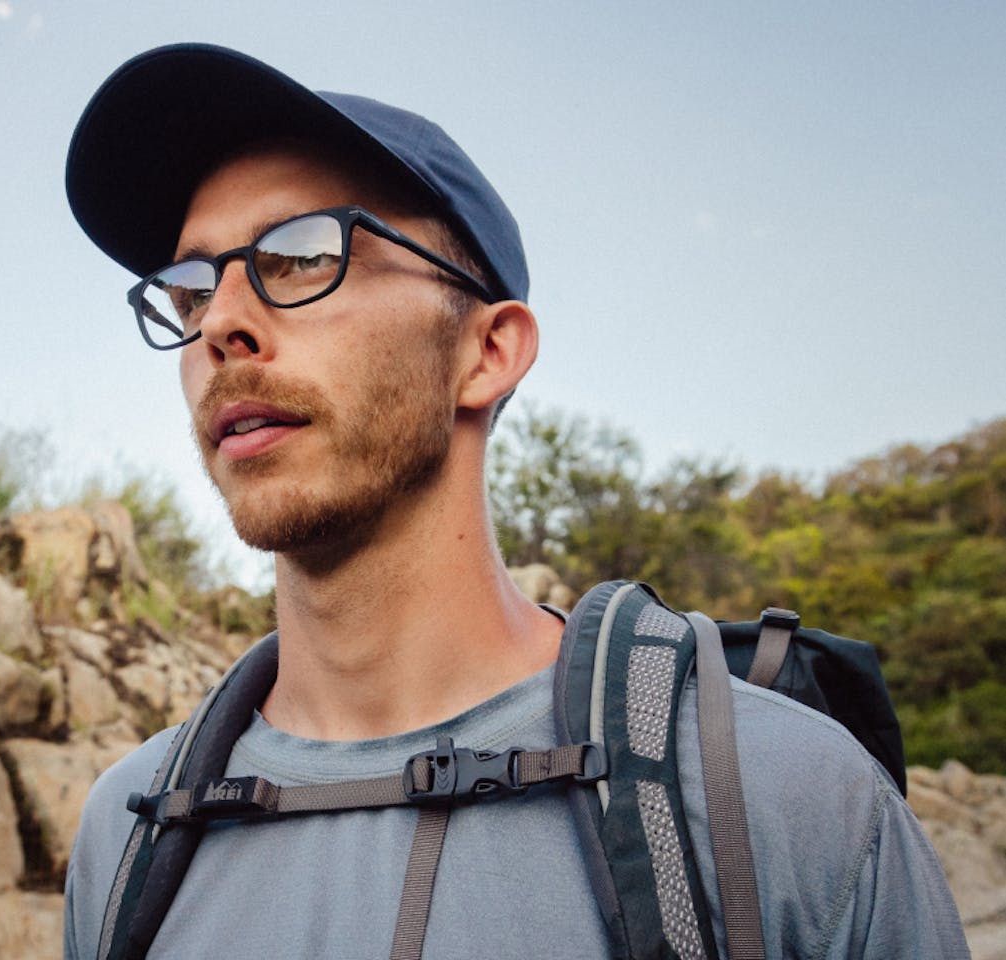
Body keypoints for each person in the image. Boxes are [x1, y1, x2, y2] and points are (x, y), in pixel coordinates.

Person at [62, 43, 968, 960]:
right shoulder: (125, 833)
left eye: (301, 254)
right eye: (188, 287)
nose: (217, 321)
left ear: (488, 353)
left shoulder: (788, 800)